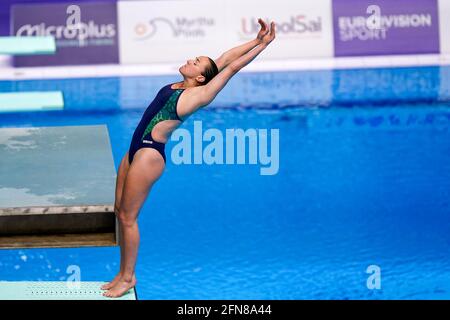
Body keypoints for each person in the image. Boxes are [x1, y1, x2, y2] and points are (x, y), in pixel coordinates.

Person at [102, 18, 276, 298]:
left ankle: (129, 277)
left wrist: (264, 46)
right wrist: (255, 39)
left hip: (148, 155)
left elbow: (231, 67)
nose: (190, 60)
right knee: (119, 212)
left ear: (200, 78)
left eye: (196, 62)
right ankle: (121, 273)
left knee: (129, 218)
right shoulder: (184, 84)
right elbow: (224, 58)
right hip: (134, 150)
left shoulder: (199, 95)